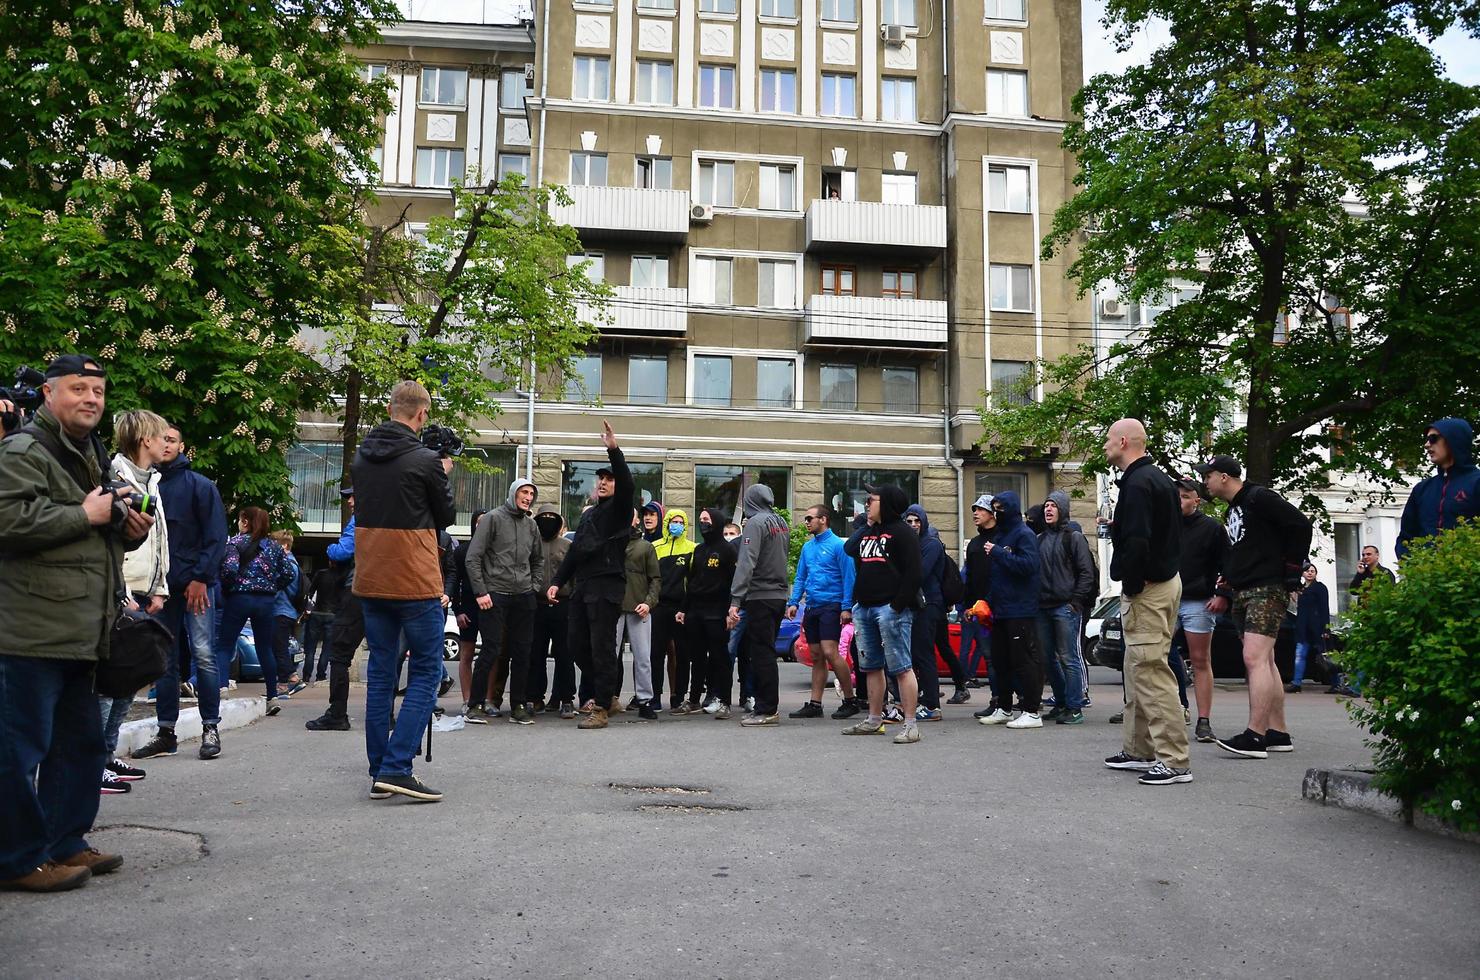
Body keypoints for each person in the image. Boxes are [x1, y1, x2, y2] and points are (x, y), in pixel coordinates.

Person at [0, 354, 150, 892]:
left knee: (80, 745)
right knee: (18, 752)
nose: (91, 399)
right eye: (79, 389)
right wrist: (86, 516)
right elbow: (8, 520)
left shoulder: (91, 454)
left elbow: (88, 529)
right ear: (47, 394)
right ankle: (18, 859)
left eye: (99, 392)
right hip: (29, 631)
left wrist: (124, 527)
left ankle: (65, 844)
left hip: (80, 631)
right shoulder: (22, 450)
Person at [352, 380, 456, 801]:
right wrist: (443, 473)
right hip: (414, 577)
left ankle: (380, 769)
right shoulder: (425, 459)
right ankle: (397, 768)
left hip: (372, 574)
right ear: (421, 414)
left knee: (381, 675)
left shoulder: (361, 455)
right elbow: (444, 515)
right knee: (428, 670)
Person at [1196, 453, 1312, 760]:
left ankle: (1255, 736)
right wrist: (1225, 586)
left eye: (1208, 475)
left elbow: (1300, 525)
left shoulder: (1259, 497)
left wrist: (1291, 571)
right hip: (1245, 589)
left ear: (1224, 476)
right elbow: (1241, 552)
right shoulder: (1233, 510)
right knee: (1267, 661)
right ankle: (1277, 732)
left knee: (1254, 658)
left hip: (1266, 587)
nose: (1204, 481)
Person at [1102, 419, 1192, 785]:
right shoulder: (1155, 478)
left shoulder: (1138, 484)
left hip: (1149, 589)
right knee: (1138, 668)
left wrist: (1132, 583)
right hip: (1163, 583)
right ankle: (1140, 749)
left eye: (1108, 439)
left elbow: (1138, 541)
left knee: (1151, 672)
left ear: (1123, 441)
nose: (1105, 446)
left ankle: (1174, 759)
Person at [102, 410, 175, 782]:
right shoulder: (117, 476)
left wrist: (158, 587)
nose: (167, 443)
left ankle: (107, 753)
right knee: (110, 680)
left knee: (129, 678)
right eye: (162, 436)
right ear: (146, 440)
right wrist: (122, 592)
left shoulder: (152, 480)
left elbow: (157, 536)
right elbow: (113, 542)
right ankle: (94, 760)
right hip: (119, 592)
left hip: (142, 592)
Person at [548, 421, 634, 731]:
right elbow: (574, 552)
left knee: (601, 646)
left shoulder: (620, 510)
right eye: (600, 479)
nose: (603, 483)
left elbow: (626, 483)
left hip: (607, 586)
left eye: (609, 480)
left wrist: (614, 450)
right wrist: (557, 582)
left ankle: (600, 706)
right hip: (583, 587)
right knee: (575, 645)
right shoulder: (589, 515)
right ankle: (606, 690)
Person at [191, 506, 297, 727]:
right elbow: (288, 573)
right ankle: (272, 696)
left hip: (240, 599)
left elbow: (229, 570)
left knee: (225, 645)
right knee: (265, 648)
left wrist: (230, 589)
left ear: (246, 522)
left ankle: (221, 689)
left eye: (240, 520)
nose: (239, 523)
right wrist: (271, 586)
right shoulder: (275, 547)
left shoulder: (235, 544)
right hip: (266, 601)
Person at [154, 425, 227, 737]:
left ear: (181, 446)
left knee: (204, 654)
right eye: (161, 439)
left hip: (196, 586)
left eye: (171, 439)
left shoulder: (200, 486)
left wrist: (200, 578)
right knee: (163, 660)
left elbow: (216, 537)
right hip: (159, 589)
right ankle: (165, 732)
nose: (166, 445)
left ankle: (210, 727)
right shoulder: (147, 485)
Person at [841, 485, 923, 742]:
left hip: (891, 609)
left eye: (871, 500)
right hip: (864, 608)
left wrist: (897, 605)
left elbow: (914, 573)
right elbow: (849, 549)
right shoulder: (870, 530)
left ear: (885, 504)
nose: (866, 504)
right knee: (871, 666)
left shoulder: (903, 532)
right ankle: (875, 719)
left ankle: (910, 725)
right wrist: (866, 524)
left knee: (901, 667)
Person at [465, 479, 542, 725]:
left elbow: (538, 560)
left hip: (524, 596)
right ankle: (475, 705)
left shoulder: (531, 525)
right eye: (524, 492)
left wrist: (535, 587)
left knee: (523, 652)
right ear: (513, 493)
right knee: (491, 650)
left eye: (531, 493)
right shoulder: (493, 519)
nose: (528, 497)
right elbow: (472, 558)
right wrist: (481, 592)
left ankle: (518, 705)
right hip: (494, 595)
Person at [974, 492, 1045, 730]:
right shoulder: (1002, 534)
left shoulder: (1024, 534)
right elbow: (998, 576)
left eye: (1000, 507)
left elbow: (1029, 566)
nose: (997, 511)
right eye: (995, 507)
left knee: (1024, 661)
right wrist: (986, 602)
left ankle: (1031, 711)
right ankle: (1003, 707)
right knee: (1001, 661)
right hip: (1001, 610)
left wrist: (999, 553)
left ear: (1012, 509)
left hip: (1020, 609)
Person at [787, 504, 861, 720]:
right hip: (812, 606)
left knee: (830, 652)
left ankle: (850, 700)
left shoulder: (839, 546)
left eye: (810, 518)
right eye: (806, 518)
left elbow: (849, 577)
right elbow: (800, 577)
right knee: (817, 655)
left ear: (824, 519)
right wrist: (793, 602)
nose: (807, 522)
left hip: (832, 605)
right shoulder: (807, 548)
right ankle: (815, 704)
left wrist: (846, 607)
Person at [727, 485, 792, 727]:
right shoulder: (780, 522)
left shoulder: (755, 523)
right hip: (778, 595)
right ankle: (767, 706)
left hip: (760, 596)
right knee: (767, 651)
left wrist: (735, 599)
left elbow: (746, 562)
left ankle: (767, 709)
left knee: (761, 654)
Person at [1173, 477, 1227, 743]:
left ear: (1197, 500)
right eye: (1176, 495)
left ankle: (1203, 720)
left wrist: (1221, 594)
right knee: (1154, 657)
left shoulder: (1212, 528)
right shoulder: (1164, 527)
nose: (1179, 500)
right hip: (1166, 598)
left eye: (1185, 496)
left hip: (1197, 599)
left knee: (1200, 660)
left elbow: (1226, 564)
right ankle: (1167, 712)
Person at [1036, 490, 1096, 726]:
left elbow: (1086, 572)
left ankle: (1074, 706)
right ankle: (1060, 703)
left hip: (1065, 607)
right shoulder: (1039, 539)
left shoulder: (1074, 537)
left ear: (1062, 509)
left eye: (1053, 505)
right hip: (1043, 607)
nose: (1048, 509)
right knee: (1048, 658)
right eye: (1046, 505)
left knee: (1069, 658)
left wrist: (1075, 602)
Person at [305, 487, 361, 732]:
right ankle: (386, 715)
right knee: (386, 655)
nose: (349, 501)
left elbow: (343, 550)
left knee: (339, 654)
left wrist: (330, 549)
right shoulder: (393, 514)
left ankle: (338, 713)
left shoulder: (360, 519)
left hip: (358, 590)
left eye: (352, 496)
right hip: (390, 590)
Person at [679, 508, 738, 718]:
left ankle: (724, 701)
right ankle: (694, 699)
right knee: (697, 658)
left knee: (720, 658)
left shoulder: (728, 550)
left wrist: (731, 611)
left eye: (706, 520)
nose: (703, 523)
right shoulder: (699, 550)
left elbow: (733, 583)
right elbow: (692, 582)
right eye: (701, 520)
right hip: (695, 613)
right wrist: (684, 610)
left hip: (717, 613)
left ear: (717, 522)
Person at [1396, 417, 1477, 559]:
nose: (1427, 445)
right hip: (1426, 578)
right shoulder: (1422, 489)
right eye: (1427, 439)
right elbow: (1406, 538)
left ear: (1454, 440)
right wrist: (1412, 567)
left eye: (1433, 438)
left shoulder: (1476, 482)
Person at [649, 507, 696, 712]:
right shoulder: (654, 547)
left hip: (680, 608)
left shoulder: (693, 548)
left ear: (685, 525)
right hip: (658, 607)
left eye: (680, 522)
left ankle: (678, 696)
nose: (676, 525)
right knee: (655, 654)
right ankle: (655, 696)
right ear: (666, 523)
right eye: (672, 521)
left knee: (682, 654)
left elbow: (693, 581)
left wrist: (688, 607)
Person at [530, 503, 574, 717]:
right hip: (537, 605)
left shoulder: (567, 545)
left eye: (552, 517)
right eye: (543, 516)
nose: (547, 520)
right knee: (535, 654)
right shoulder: (532, 543)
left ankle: (566, 699)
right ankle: (536, 698)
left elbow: (574, 574)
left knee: (564, 654)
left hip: (563, 605)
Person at [903, 504, 946, 723]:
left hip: (929, 604)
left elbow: (919, 573)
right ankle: (923, 699)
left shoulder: (931, 544)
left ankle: (932, 705)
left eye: (917, 521)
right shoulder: (912, 545)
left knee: (924, 654)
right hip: (915, 605)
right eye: (909, 521)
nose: (913, 525)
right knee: (916, 655)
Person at [616, 513, 661, 719]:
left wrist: (649, 603)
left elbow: (655, 579)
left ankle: (645, 701)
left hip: (639, 608)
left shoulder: (645, 547)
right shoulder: (610, 543)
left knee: (643, 657)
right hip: (613, 608)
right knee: (607, 656)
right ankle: (605, 699)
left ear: (636, 520)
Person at [962, 495, 999, 715]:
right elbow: (971, 577)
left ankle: (1023, 699)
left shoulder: (1002, 539)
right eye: (974, 509)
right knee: (989, 656)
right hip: (981, 609)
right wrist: (968, 606)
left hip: (1003, 607)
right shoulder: (975, 544)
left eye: (981, 510)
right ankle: (996, 699)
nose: (975, 513)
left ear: (993, 513)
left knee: (1012, 655)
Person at [451, 509, 487, 710]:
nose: (482, 525)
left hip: (491, 608)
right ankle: (467, 700)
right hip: (468, 609)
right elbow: (455, 583)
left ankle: (489, 700)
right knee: (466, 655)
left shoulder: (494, 551)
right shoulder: (462, 551)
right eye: (479, 522)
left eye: (486, 522)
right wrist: (457, 611)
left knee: (492, 654)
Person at [267, 529, 305, 697]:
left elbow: (276, 590)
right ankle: (287, 682)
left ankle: (289, 681)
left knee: (279, 649)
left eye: (273, 544)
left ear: (284, 545)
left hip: (281, 610)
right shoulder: (294, 563)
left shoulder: (286, 564)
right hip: (289, 611)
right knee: (281, 648)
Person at [1286, 562, 1329, 693]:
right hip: (1303, 628)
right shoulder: (1300, 589)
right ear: (1302, 573)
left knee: (1326, 655)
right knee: (1300, 655)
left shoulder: (1320, 588)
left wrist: (1326, 628)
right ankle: (1296, 682)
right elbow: (1296, 610)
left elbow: (1324, 608)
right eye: (1307, 571)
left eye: (1313, 571)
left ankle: (1335, 682)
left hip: (1317, 626)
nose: (1310, 573)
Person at [302, 559, 347, 685]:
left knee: (310, 648)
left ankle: (306, 675)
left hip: (317, 612)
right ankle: (321, 675)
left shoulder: (321, 574)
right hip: (332, 614)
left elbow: (310, 592)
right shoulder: (342, 577)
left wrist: (307, 608)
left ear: (329, 562)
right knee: (327, 648)